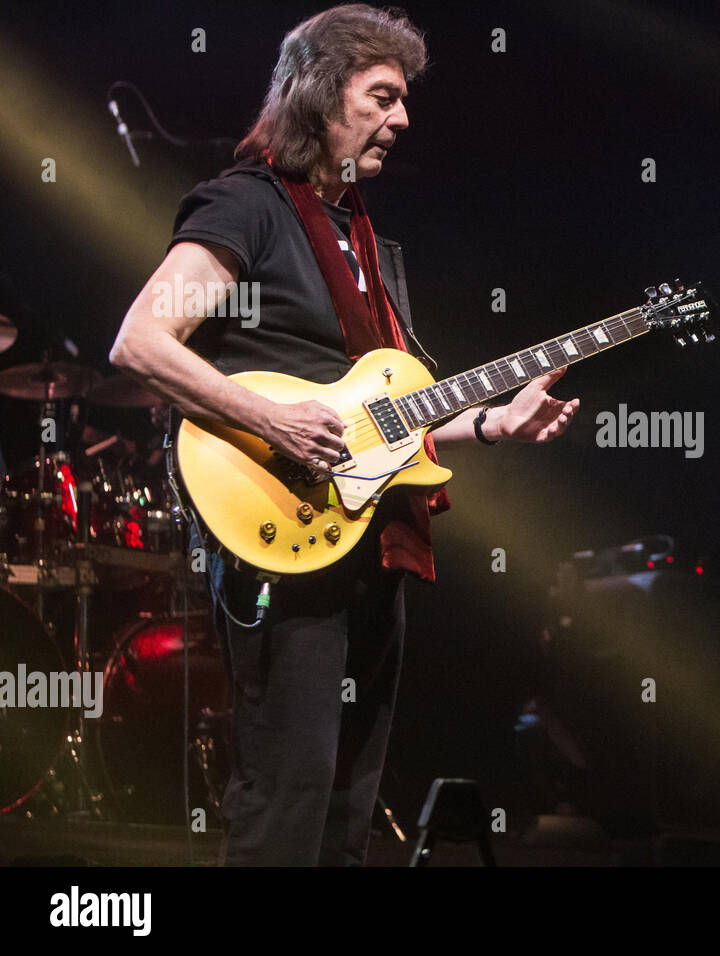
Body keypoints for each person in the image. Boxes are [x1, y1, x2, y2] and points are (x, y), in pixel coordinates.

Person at [110, 4, 579, 865]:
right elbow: (139, 341)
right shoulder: (246, 205)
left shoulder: (368, 241)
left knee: (347, 800)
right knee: (288, 790)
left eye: (403, 100)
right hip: (277, 527)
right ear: (321, 97)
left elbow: (388, 416)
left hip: (366, 537)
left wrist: (492, 421)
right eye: (383, 97)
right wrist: (268, 415)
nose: (403, 118)